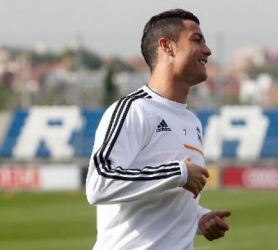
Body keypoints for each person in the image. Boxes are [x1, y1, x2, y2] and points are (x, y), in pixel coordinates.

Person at [86, 9, 231, 250]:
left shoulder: (192, 122)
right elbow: (99, 184)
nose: (208, 50)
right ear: (167, 46)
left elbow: (162, 199)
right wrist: (179, 173)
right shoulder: (134, 110)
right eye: (197, 40)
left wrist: (198, 219)